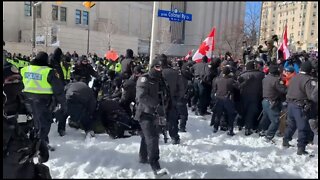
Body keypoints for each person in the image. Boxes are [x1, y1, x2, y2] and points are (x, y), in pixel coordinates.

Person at [20, 51, 67, 151]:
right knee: (44, 125)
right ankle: (40, 148)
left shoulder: (25, 69)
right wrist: (63, 104)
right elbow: (58, 90)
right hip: (43, 102)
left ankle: (41, 143)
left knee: (33, 123)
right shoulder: (49, 71)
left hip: (26, 101)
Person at [135, 58, 167, 176]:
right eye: (157, 67)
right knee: (153, 138)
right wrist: (156, 104)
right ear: (153, 67)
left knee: (146, 137)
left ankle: (143, 157)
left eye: (161, 67)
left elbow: (164, 94)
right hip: (145, 113)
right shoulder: (144, 79)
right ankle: (155, 164)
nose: (160, 69)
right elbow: (141, 97)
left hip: (156, 113)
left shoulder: (160, 79)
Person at [283, 61, 317, 155]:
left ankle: (285, 140)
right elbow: (311, 96)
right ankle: (301, 148)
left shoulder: (294, 77)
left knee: (291, 124)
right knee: (303, 127)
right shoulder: (308, 80)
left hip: (290, 104)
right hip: (300, 106)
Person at [259, 64, 287, 140]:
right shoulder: (276, 80)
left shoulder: (265, 78)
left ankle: (262, 130)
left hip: (265, 100)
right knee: (275, 121)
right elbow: (283, 90)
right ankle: (269, 136)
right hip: (272, 102)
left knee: (266, 117)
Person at [159, 54, 182, 144]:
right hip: (172, 99)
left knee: (158, 117)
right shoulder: (174, 72)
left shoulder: (155, 72)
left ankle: (158, 134)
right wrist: (177, 97)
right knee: (172, 119)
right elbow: (181, 88)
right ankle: (174, 137)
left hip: (159, 100)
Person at [237, 61, 265, 135]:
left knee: (243, 110)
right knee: (251, 112)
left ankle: (240, 124)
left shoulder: (242, 75)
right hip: (256, 96)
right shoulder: (261, 75)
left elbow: (238, 86)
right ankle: (248, 128)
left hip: (244, 95)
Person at [212, 66, 239, 136]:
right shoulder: (231, 80)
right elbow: (237, 87)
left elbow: (214, 89)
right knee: (231, 115)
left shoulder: (217, 79)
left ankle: (215, 127)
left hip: (218, 98)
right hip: (228, 99)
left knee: (218, 114)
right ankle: (230, 130)